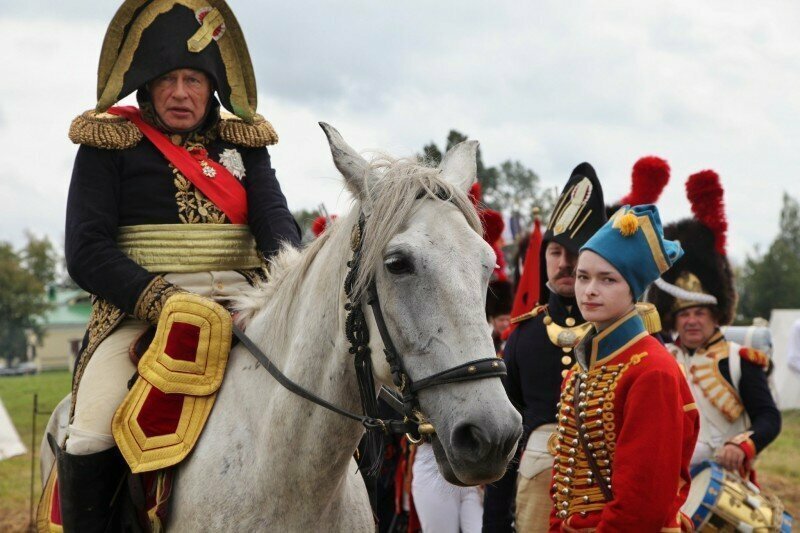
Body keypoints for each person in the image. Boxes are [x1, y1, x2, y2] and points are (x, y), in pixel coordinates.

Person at [56, 1, 301, 530]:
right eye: (168, 79)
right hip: (140, 316)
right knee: (92, 432)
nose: (181, 93)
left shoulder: (243, 145)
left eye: (193, 78)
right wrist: (165, 300)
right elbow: (87, 250)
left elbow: (277, 222)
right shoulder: (109, 143)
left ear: (212, 86)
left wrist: (286, 279)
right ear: (146, 84)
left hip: (245, 309)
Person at [550, 204, 698, 531]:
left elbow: (641, 503)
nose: (589, 290)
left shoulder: (652, 370)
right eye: (583, 277)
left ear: (633, 289)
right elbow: (564, 480)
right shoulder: (582, 366)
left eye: (608, 280)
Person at [484, 163, 608, 532]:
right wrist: (493, 522)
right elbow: (506, 435)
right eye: (555, 252)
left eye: (576, 252)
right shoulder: (523, 335)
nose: (566, 263)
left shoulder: (620, 335)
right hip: (534, 490)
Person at [647, 170, 780, 476]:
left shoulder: (739, 361)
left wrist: (743, 445)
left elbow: (768, 417)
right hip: (671, 479)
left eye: (700, 312)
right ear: (672, 318)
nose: (692, 320)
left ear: (715, 315)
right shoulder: (663, 360)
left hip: (724, 481)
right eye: (684, 313)